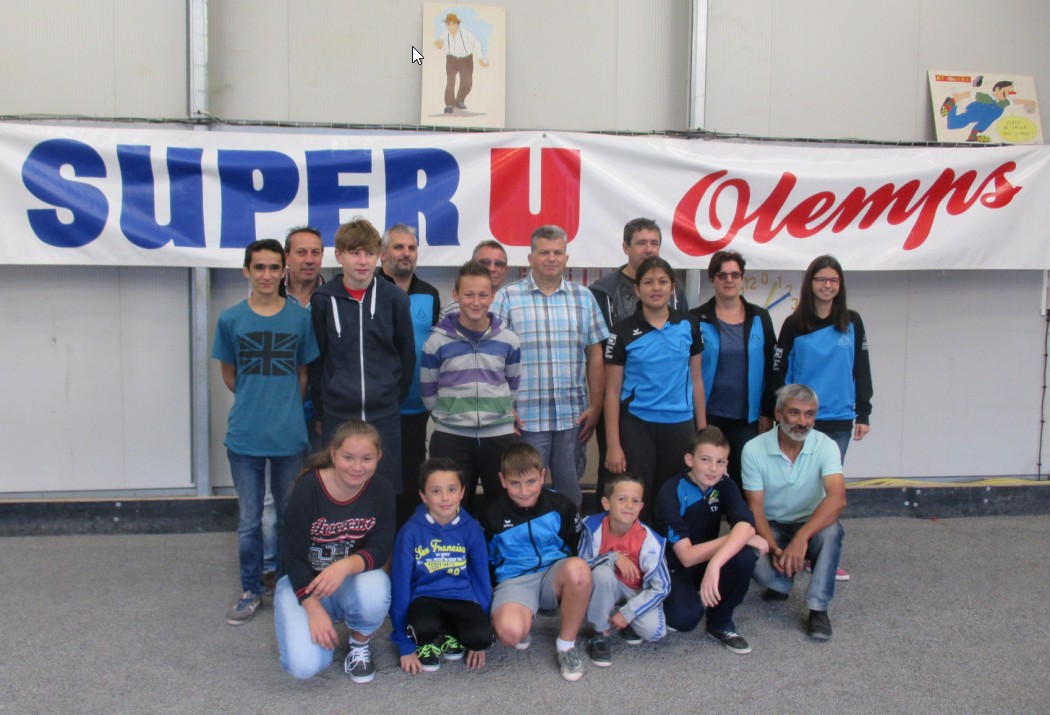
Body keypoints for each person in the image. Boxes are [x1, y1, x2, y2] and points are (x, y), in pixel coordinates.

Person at [212, 239, 319, 626]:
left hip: (289, 435)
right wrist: (258, 402)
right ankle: (250, 589)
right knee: (250, 519)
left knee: (291, 515)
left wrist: (282, 407)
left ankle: (290, 585)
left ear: (283, 272)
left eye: (275, 268)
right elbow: (230, 375)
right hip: (245, 437)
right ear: (247, 271)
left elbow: (303, 375)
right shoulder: (230, 320)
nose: (268, 275)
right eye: (260, 267)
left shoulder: (299, 320)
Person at [491, 225, 608, 508]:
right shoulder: (507, 298)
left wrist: (596, 406)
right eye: (544, 252)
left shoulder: (584, 298)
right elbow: (493, 356)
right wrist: (504, 406)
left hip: (573, 417)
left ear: (567, 258)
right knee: (525, 490)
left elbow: (595, 355)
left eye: (558, 252)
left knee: (570, 489)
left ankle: (572, 544)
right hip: (526, 418)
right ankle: (529, 547)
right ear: (530, 257)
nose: (551, 258)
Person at [274, 420, 395, 682]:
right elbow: (292, 555)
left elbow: (381, 546)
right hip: (305, 581)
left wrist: (345, 566)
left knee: (377, 586)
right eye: (348, 457)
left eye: (366, 458)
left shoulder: (382, 490)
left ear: (379, 457)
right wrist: (311, 605)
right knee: (305, 667)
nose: (357, 466)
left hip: (350, 579)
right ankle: (321, 615)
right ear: (333, 454)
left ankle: (359, 642)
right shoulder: (308, 489)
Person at [774, 255, 868, 582]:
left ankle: (823, 554)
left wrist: (864, 411)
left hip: (839, 419)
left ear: (839, 286)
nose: (827, 285)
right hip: (799, 421)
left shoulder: (852, 322)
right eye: (821, 279)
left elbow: (861, 369)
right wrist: (769, 413)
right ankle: (792, 547)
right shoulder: (793, 325)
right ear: (810, 283)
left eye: (833, 280)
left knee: (829, 492)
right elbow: (778, 372)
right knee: (799, 486)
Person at [309, 217, 416, 497]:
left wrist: (391, 396)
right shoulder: (323, 300)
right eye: (354, 253)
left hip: (384, 412)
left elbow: (406, 354)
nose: (362, 261)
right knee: (338, 487)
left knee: (384, 488)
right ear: (339, 255)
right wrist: (323, 407)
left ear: (379, 256)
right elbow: (319, 359)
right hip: (338, 413)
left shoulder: (395, 298)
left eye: (369, 253)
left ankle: (380, 543)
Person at [590, 218, 689, 499]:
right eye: (641, 242)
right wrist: (598, 403)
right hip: (622, 406)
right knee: (619, 478)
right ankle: (613, 540)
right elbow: (596, 352)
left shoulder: (676, 289)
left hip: (669, 409)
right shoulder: (604, 291)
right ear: (625, 247)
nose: (649, 249)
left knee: (667, 485)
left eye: (654, 243)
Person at [604, 257, 706, 523]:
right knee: (639, 497)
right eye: (648, 282)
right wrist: (613, 445)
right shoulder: (622, 332)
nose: (656, 288)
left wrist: (703, 432)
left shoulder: (689, 325)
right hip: (637, 426)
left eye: (662, 281)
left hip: (680, 425)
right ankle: (639, 557)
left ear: (673, 287)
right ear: (637, 289)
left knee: (674, 495)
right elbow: (612, 392)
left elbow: (696, 380)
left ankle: (670, 557)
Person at [742, 384, 846, 641]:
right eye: (795, 413)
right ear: (778, 414)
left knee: (832, 531)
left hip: (810, 525)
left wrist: (801, 538)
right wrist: (776, 549)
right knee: (747, 552)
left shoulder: (826, 445)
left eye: (809, 414)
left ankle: (818, 609)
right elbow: (755, 509)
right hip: (773, 525)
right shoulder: (754, 449)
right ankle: (781, 582)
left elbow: (837, 499)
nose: (803, 422)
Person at [484, 442, 593, 682]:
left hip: (552, 575)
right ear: (502, 480)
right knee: (510, 634)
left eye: (531, 481)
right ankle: (523, 615)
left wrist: (570, 586)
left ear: (542, 476)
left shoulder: (561, 506)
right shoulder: (493, 513)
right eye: (514, 483)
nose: (524, 491)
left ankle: (566, 645)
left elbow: (575, 545)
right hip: (516, 580)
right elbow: (488, 560)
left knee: (579, 570)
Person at [421, 260, 520, 514]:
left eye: (483, 295)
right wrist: (450, 415)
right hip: (451, 437)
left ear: (493, 296)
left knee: (504, 506)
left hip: (498, 435)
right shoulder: (436, 341)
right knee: (449, 508)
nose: (476, 302)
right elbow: (429, 391)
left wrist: (498, 412)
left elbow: (513, 384)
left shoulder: (508, 339)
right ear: (455, 295)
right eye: (469, 294)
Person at [654, 426, 763, 654]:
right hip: (675, 568)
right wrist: (739, 538)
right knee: (684, 619)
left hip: (707, 562)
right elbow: (686, 556)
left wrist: (715, 564)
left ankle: (720, 621)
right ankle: (659, 601)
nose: (714, 469)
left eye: (721, 462)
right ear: (689, 460)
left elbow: (747, 524)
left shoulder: (724, 484)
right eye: (705, 460)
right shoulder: (671, 490)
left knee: (745, 556)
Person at [389, 458, 493, 674]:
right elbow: (400, 584)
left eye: (452, 489)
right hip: (425, 598)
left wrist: (479, 640)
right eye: (436, 491)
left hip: (462, 597)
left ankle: (451, 633)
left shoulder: (471, 528)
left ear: (462, 492)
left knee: (481, 636)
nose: (445, 498)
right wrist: (405, 644)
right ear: (423, 495)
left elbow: (482, 577)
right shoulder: (410, 532)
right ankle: (425, 641)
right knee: (421, 628)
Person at [691, 250, 777, 491]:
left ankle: (743, 527)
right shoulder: (696, 318)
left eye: (734, 274)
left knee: (745, 483)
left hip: (746, 419)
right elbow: (688, 372)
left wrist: (767, 413)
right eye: (722, 275)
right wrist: (698, 419)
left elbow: (772, 368)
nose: (728, 280)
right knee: (704, 482)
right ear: (712, 279)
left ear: (741, 278)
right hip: (708, 416)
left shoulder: (760, 317)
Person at [376, 224, 441, 525]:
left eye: (411, 248)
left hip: (416, 405)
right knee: (378, 473)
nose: (406, 253)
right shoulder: (370, 290)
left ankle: (408, 538)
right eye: (398, 247)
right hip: (378, 404)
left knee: (413, 471)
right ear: (382, 253)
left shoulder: (430, 294)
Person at [578, 473, 670, 667]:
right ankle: (601, 631)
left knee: (655, 632)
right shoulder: (592, 527)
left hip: (635, 591)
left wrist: (629, 612)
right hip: (606, 585)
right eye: (622, 499)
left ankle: (623, 618)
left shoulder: (648, 539)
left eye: (635, 501)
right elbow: (580, 565)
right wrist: (613, 557)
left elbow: (662, 587)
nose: (629, 505)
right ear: (606, 503)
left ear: (641, 507)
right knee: (601, 573)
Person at [433, 12, 489, 114]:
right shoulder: (445, 34)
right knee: (450, 80)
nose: (451, 26)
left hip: (465, 59)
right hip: (451, 58)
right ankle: (449, 104)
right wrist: (438, 43)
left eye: (453, 23)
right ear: (446, 25)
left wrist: (481, 57)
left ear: (458, 24)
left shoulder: (465, 33)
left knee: (467, 81)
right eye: (448, 24)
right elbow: (440, 44)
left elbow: (476, 42)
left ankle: (460, 100)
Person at [439, 240, 510, 317]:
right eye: (485, 262)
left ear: (506, 270)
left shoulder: (512, 304)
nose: (492, 269)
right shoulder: (452, 308)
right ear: (473, 264)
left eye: (498, 264)